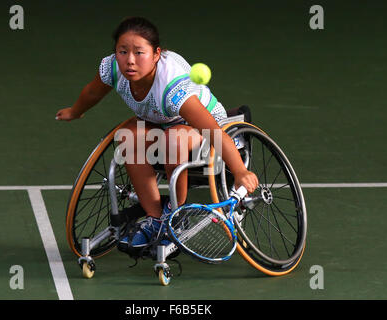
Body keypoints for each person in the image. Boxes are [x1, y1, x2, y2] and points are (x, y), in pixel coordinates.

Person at [56, 17, 259, 249]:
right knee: (127, 137)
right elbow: (93, 92)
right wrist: (75, 111)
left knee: (174, 139)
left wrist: (241, 171)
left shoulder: (171, 87)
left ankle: (176, 215)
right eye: (122, 52)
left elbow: (212, 131)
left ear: (156, 54)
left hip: (200, 126)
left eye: (139, 53)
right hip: (157, 121)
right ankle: (154, 219)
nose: (129, 60)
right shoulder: (114, 68)